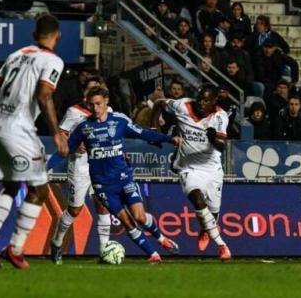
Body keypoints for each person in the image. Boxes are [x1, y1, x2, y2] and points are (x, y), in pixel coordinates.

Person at [0, 14, 68, 269]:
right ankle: (16, 248)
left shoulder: (15, 55)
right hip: (18, 130)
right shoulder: (52, 60)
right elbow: (44, 95)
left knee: (11, 185)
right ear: (57, 35)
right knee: (39, 189)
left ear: (33, 35)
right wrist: (56, 133)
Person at [69, 86, 181, 264]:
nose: (95, 108)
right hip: (102, 186)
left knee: (140, 217)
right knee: (126, 221)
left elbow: (142, 133)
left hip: (124, 179)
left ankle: (161, 239)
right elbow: (66, 147)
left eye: (98, 104)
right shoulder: (83, 127)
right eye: (91, 105)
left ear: (107, 102)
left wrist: (169, 139)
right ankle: (153, 254)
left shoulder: (119, 121)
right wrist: (74, 147)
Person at [151, 84, 232, 260]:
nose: (201, 103)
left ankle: (205, 229)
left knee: (213, 213)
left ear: (214, 101)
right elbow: (158, 104)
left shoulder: (220, 116)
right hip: (188, 166)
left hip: (212, 168)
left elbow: (222, 146)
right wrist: (154, 129)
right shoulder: (181, 106)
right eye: (200, 98)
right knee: (196, 198)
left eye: (206, 100)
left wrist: (213, 138)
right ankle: (222, 246)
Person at [50, 76, 113, 263]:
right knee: (75, 210)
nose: (93, 93)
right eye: (90, 89)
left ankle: (104, 253)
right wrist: (74, 145)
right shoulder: (74, 111)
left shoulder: (107, 110)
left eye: (97, 89)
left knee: (103, 206)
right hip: (80, 166)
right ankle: (56, 242)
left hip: (101, 165)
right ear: (84, 93)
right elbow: (61, 135)